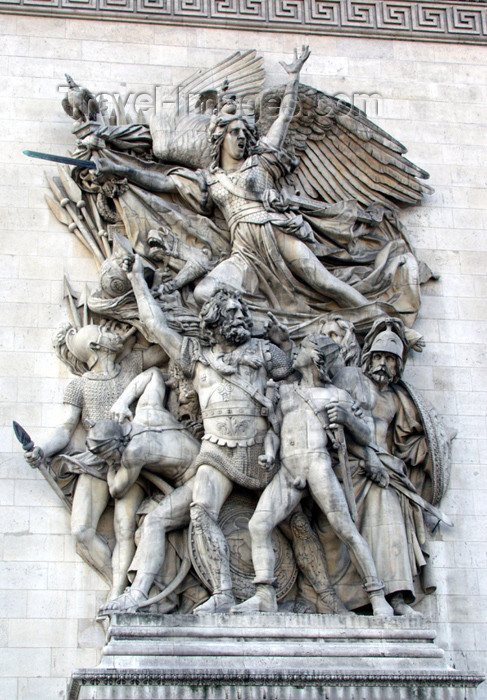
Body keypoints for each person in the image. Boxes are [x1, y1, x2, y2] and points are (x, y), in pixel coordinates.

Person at [93, 47, 373, 313]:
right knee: (203, 293)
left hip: (275, 233)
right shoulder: (210, 180)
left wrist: (293, 79)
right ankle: (254, 324)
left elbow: (285, 117)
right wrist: (122, 170)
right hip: (244, 250)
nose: (241, 137)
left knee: (322, 281)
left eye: (244, 132)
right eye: (234, 132)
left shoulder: (261, 161)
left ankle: (379, 317)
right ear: (220, 137)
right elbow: (164, 183)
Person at [123, 254, 293, 612]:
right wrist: (138, 279)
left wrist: (286, 343)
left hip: (265, 451)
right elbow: (154, 325)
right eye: (232, 313)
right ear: (213, 319)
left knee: (299, 522)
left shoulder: (265, 351)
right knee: (201, 510)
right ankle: (222, 593)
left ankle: (324, 593)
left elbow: (294, 374)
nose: (241, 318)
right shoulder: (194, 356)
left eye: (243, 313)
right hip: (216, 452)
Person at [232, 335, 393, 616]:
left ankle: (377, 596)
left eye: (303, 347)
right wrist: (270, 453)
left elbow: (366, 436)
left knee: (345, 529)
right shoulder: (284, 392)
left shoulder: (337, 396)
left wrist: (347, 418)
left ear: (316, 356)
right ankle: (265, 595)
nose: (295, 351)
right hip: (288, 467)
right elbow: (274, 432)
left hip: (317, 464)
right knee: (258, 525)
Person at [24, 323, 165, 599]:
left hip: (129, 458)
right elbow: (66, 428)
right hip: (94, 460)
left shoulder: (133, 363)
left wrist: (138, 326)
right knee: (81, 531)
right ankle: (121, 580)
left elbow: (162, 350)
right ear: (95, 347)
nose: (112, 332)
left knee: (124, 528)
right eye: (105, 331)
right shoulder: (79, 385)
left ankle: (118, 594)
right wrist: (42, 449)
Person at [84, 366, 201, 615]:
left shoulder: (133, 454)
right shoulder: (146, 412)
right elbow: (153, 375)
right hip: (202, 467)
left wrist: (111, 465)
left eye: (108, 455)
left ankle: (137, 594)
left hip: (197, 482)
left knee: (153, 524)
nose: (111, 459)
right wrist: (123, 402)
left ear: (117, 445)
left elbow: (116, 490)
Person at [330, 327, 432, 615]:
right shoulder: (350, 379)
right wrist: (367, 457)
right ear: (369, 356)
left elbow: (404, 442)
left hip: (385, 472)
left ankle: (397, 597)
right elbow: (331, 416)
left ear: (398, 365)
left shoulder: (396, 399)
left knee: (390, 520)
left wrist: (427, 452)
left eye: (391, 360)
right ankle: (347, 598)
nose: (383, 365)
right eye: (379, 357)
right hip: (349, 465)